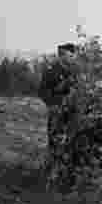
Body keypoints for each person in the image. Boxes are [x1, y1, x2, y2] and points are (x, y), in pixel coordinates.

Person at [38, 43, 78, 172]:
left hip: (71, 112)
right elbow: (42, 91)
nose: (73, 58)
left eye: (73, 55)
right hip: (57, 111)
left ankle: (65, 171)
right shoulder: (51, 70)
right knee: (55, 141)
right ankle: (50, 170)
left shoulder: (74, 71)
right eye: (70, 55)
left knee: (70, 140)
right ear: (62, 56)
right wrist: (51, 105)